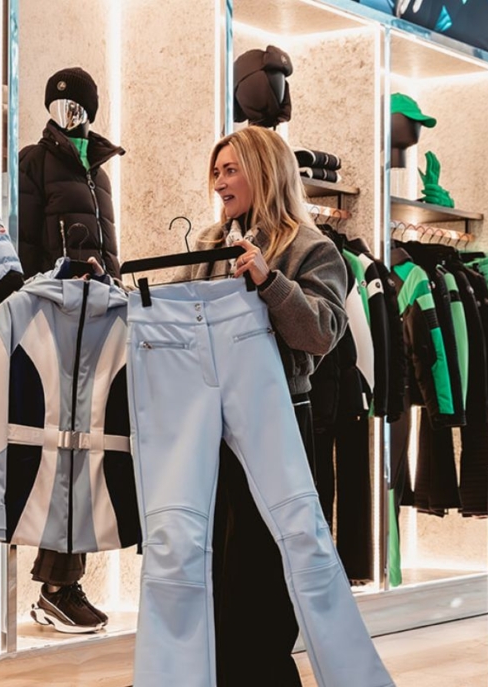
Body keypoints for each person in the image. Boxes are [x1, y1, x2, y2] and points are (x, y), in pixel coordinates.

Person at [167, 125, 383, 685]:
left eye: (230, 169)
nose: (219, 182)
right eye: (216, 171)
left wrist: (270, 281)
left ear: (265, 173)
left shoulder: (313, 248)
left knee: (263, 563)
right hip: (209, 426)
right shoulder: (207, 244)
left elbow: (321, 334)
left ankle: (263, 671)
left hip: (278, 420)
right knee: (213, 557)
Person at [18, 66, 125, 633]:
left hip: (100, 320)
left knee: (87, 450)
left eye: (78, 105)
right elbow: (25, 245)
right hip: (56, 320)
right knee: (62, 450)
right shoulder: (33, 162)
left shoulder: (99, 172)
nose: (67, 114)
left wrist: (118, 292)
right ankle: (56, 587)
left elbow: (110, 248)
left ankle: (62, 584)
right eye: (58, 104)